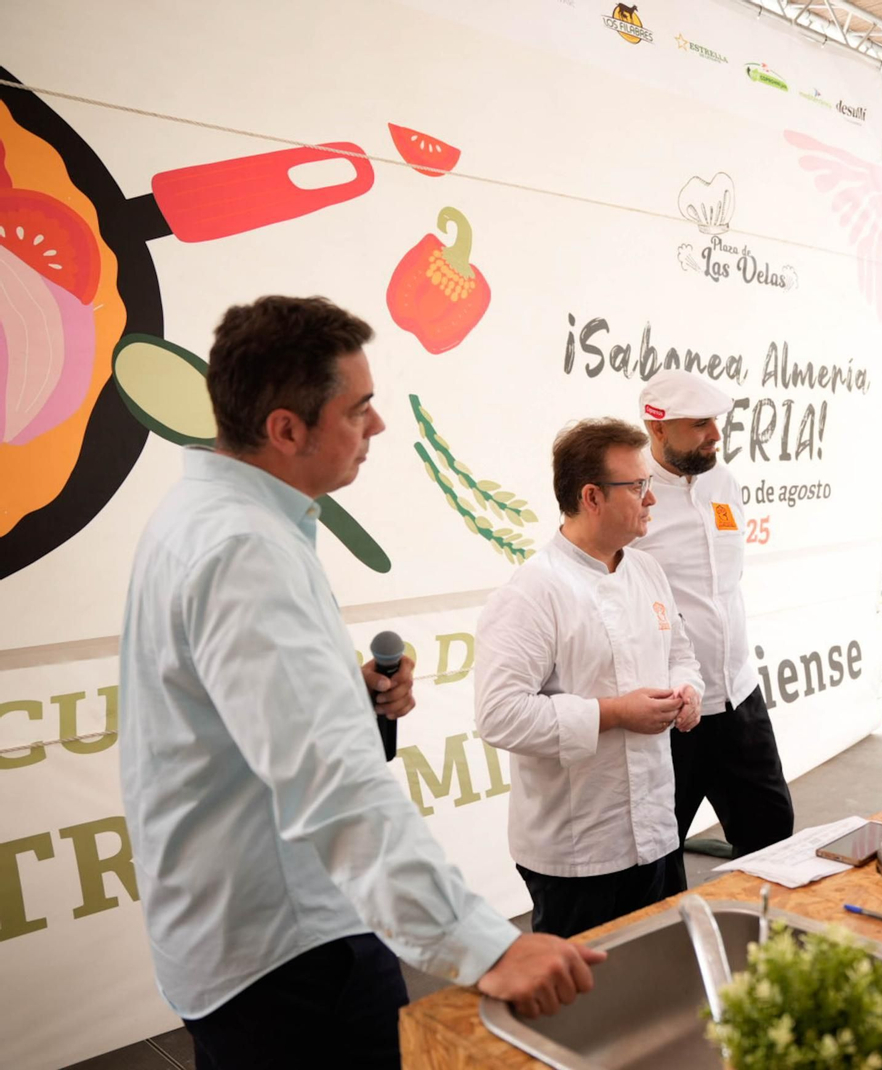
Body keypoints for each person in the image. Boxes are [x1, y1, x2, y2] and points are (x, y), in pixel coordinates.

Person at [119, 296, 603, 1070]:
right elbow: (330, 781)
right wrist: (482, 946)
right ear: (286, 429)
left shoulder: (203, 517)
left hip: (238, 936)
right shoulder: (245, 549)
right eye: (360, 409)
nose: (376, 427)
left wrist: (354, 697)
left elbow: (242, 717)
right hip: (288, 953)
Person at [475, 418, 704, 938]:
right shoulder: (534, 591)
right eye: (638, 486)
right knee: (588, 1005)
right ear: (591, 497)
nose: (651, 499)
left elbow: (682, 654)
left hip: (656, 830)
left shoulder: (647, 571)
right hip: (576, 854)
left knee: (662, 978)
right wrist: (613, 713)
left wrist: (689, 691)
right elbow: (498, 715)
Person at [631, 371, 795, 867]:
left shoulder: (724, 483)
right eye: (700, 423)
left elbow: (727, 584)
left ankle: (766, 942)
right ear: (657, 429)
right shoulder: (631, 494)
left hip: (739, 697)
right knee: (657, 855)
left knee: (774, 835)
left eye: (717, 422)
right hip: (672, 712)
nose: (715, 435)